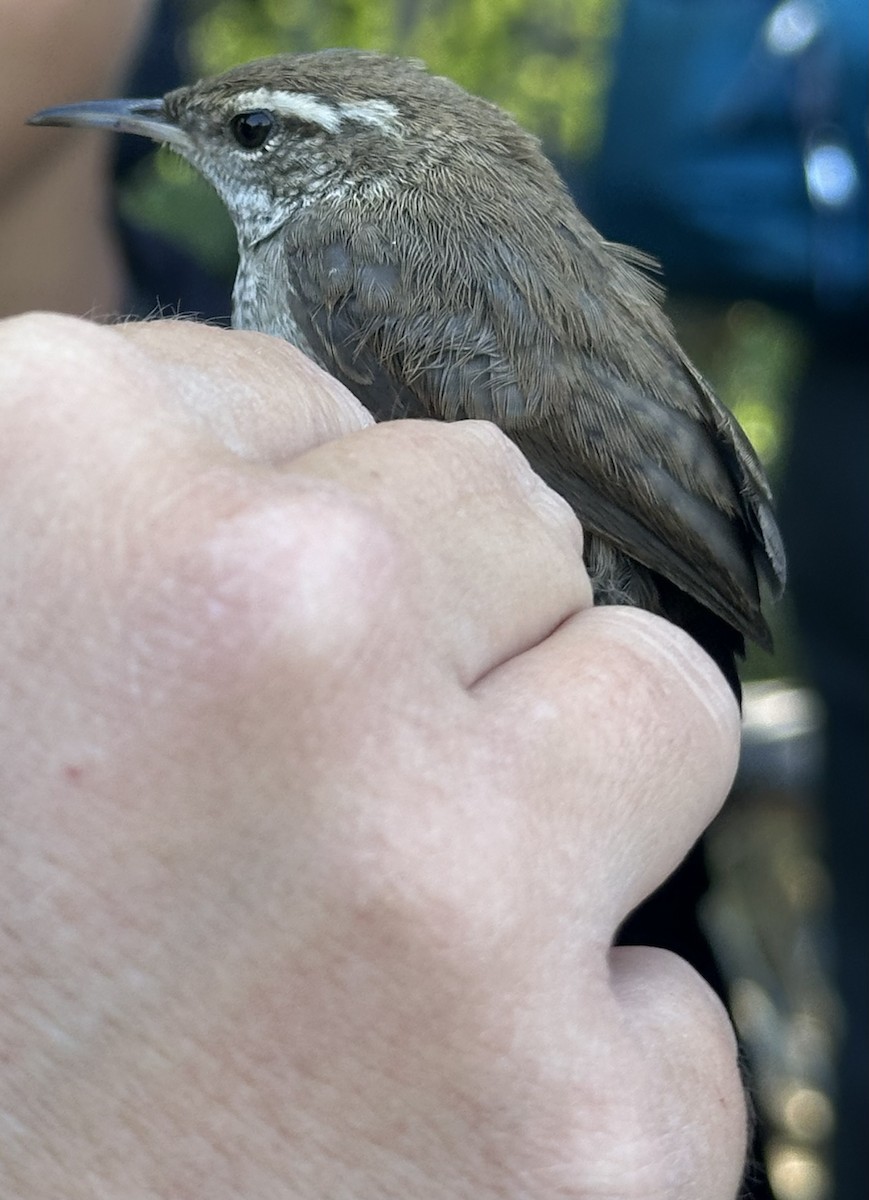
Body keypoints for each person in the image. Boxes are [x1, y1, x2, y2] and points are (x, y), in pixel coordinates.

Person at [1, 4, 748, 1192]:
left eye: (250, 134)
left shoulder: (339, 252)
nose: (197, 145)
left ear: (342, 161)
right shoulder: (359, 237)